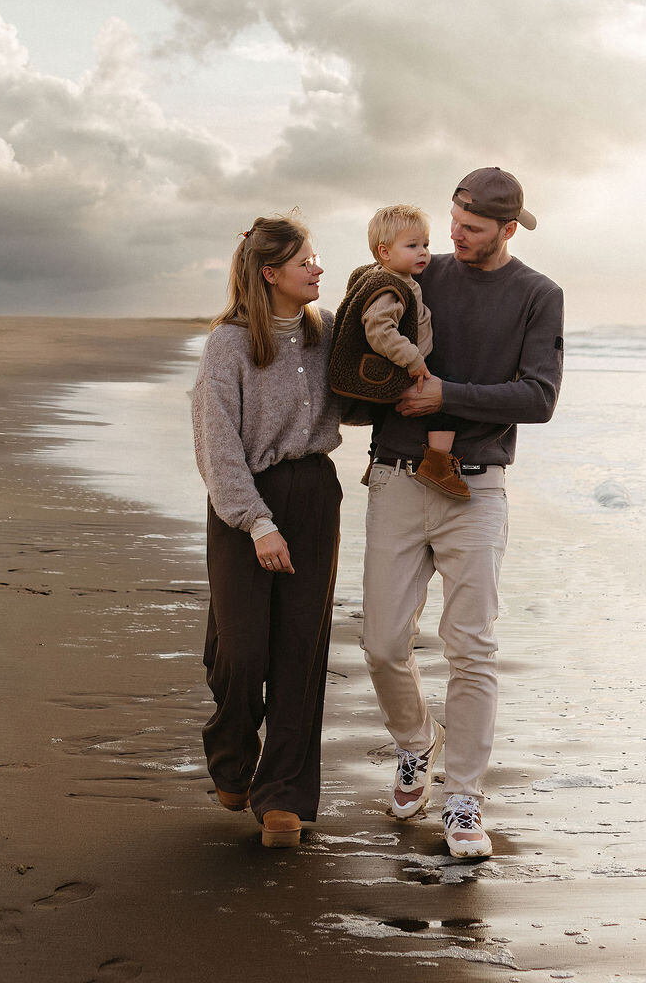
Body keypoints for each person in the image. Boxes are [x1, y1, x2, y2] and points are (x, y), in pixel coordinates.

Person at [360, 168, 564, 858]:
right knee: (383, 643)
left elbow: (538, 398)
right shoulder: (419, 276)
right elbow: (363, 341)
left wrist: (446, 393)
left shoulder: (539, 295)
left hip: (477, 489)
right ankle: (419, 742)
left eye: (472, 229)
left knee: (471, 648)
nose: (453, 236)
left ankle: (465, 800)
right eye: (453, 221)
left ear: (508, 229)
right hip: (397, 477)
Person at [191, 215, 343, 848]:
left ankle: (281, 796)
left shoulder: (326, 332)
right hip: (245, 503)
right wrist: (257, 522)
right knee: (242, 651)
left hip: (314, 493)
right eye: (306, 260)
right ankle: (230, 752)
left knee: (300, 652)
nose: (318, 269)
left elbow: (372, 381)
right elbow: (216, 443)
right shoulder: (228, 345)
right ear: (270, 273)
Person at [328, 203, 469, 498]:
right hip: (403, 364)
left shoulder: (392, 277)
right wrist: (413, 359)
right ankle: (438, 463)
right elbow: (379, 328)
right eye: (412, 245)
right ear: (385, 252)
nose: (423, 252)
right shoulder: (391, 285)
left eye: (425, 245)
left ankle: (374, 457)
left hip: (400, 363)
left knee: (384, 420)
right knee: (444, 400)